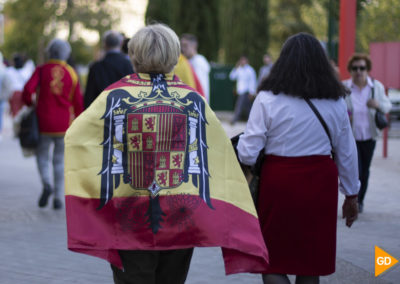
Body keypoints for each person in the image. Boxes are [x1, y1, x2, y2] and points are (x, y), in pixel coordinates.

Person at [64, 24, 269, 284]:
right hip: (180, 213)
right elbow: (218, 151)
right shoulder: (192, 99)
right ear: (174, 56)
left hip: (129, 212)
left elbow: (76, 137)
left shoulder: (114, 96)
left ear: (134, 55)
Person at [237, 33, 360, 284]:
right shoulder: (336, 101)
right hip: (320, 184)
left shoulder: (267, 99)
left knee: (273, 259)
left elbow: (248, 153)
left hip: (279, 181)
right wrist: (351, 195)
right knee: (309, 262)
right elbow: (347, 152)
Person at [22, 39, 83, 210]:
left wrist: (30, 104)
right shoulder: (71, 72)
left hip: (43, 123)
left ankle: (46, 183)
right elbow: (78, 102)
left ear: (50, 52)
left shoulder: (41, 70)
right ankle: (57, 197)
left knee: (42, 156)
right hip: (64, 124)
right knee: (59, 161)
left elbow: (27, 90)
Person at [343, 53, 392, 213]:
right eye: (355, 68)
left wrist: (377, 105)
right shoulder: (345, 87)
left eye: (362, 68)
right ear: (350, 70)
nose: (359, 71)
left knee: (365, 171)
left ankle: (360, 201)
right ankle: (352, 199)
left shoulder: (375, 87)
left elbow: (387, 106)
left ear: (367, 69)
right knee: (355, 170)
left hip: (369, 136)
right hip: (351, 137)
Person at [84, 30, 133, 108]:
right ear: (121, 43)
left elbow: (89, 96)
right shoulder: (128, 65)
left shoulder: (95, 67)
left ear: (104, 44)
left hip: (100, 111)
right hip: (123, 111)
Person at [180, 33, 210, 102]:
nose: (182, 49)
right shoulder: (185, 61)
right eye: (181, 45)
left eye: (185, 45)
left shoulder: (199, 62)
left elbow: (200, 86)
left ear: (194, 46)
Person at [229, 55, 257, 124]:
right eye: (241, 60)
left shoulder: (250, 70)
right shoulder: (239, 69)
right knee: (248, 107)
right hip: (240, 91)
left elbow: (252, 81)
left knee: (239, 105)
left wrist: (252, 92)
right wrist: (236, 67)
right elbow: (232, 77)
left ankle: (234, 120)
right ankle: (252, 121)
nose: (242, 62)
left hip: (246, 91)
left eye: (244, 60)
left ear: (247, 61)